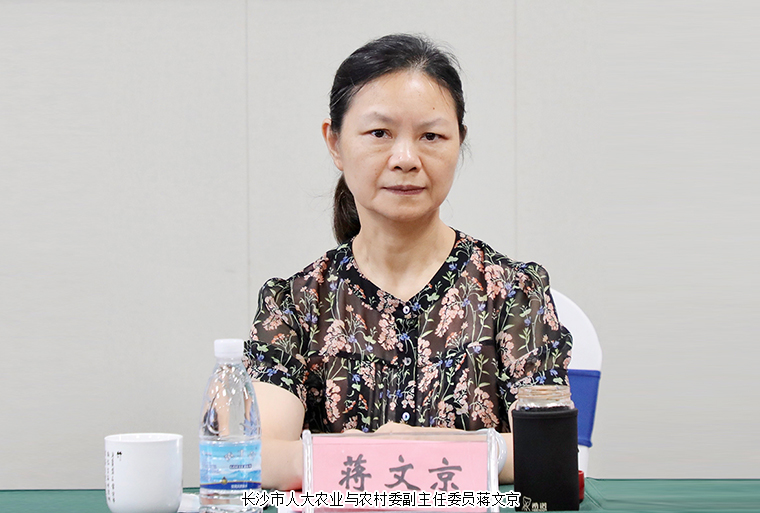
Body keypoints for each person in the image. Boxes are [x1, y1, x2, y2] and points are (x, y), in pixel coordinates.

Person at [244, 33, 572, 491]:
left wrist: (418, 448)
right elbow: (258, 456)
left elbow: (550, 449)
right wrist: (407, 454)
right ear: (335, 143)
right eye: (379, 133)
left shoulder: (512, 292)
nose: (405, 159)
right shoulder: (296, 304)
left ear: (459, 143)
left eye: (431, 136)